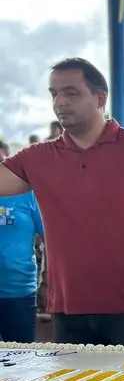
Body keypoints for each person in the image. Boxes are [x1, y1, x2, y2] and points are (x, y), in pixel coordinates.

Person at [0, 58, 124, 346]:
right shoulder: (37, 157)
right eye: (54, 93)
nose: (59, 102)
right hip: (69, 308)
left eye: (70, 92)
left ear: (99, 98)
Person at [0, 141, 43, 343]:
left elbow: (50, 239)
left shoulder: (28, 194)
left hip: (18, 292)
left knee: (21, 361)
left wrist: (49, 281)